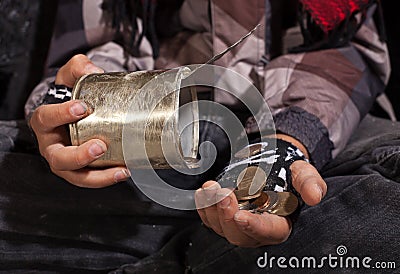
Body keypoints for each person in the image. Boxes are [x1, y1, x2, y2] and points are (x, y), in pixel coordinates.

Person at [1, 0, 398, 272]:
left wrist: (288, 141)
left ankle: (176, 248)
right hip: (152, 137)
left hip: (310, 123)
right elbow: (103, 43)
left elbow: (349, 49)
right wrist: (76, 110)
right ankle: (214, 251)